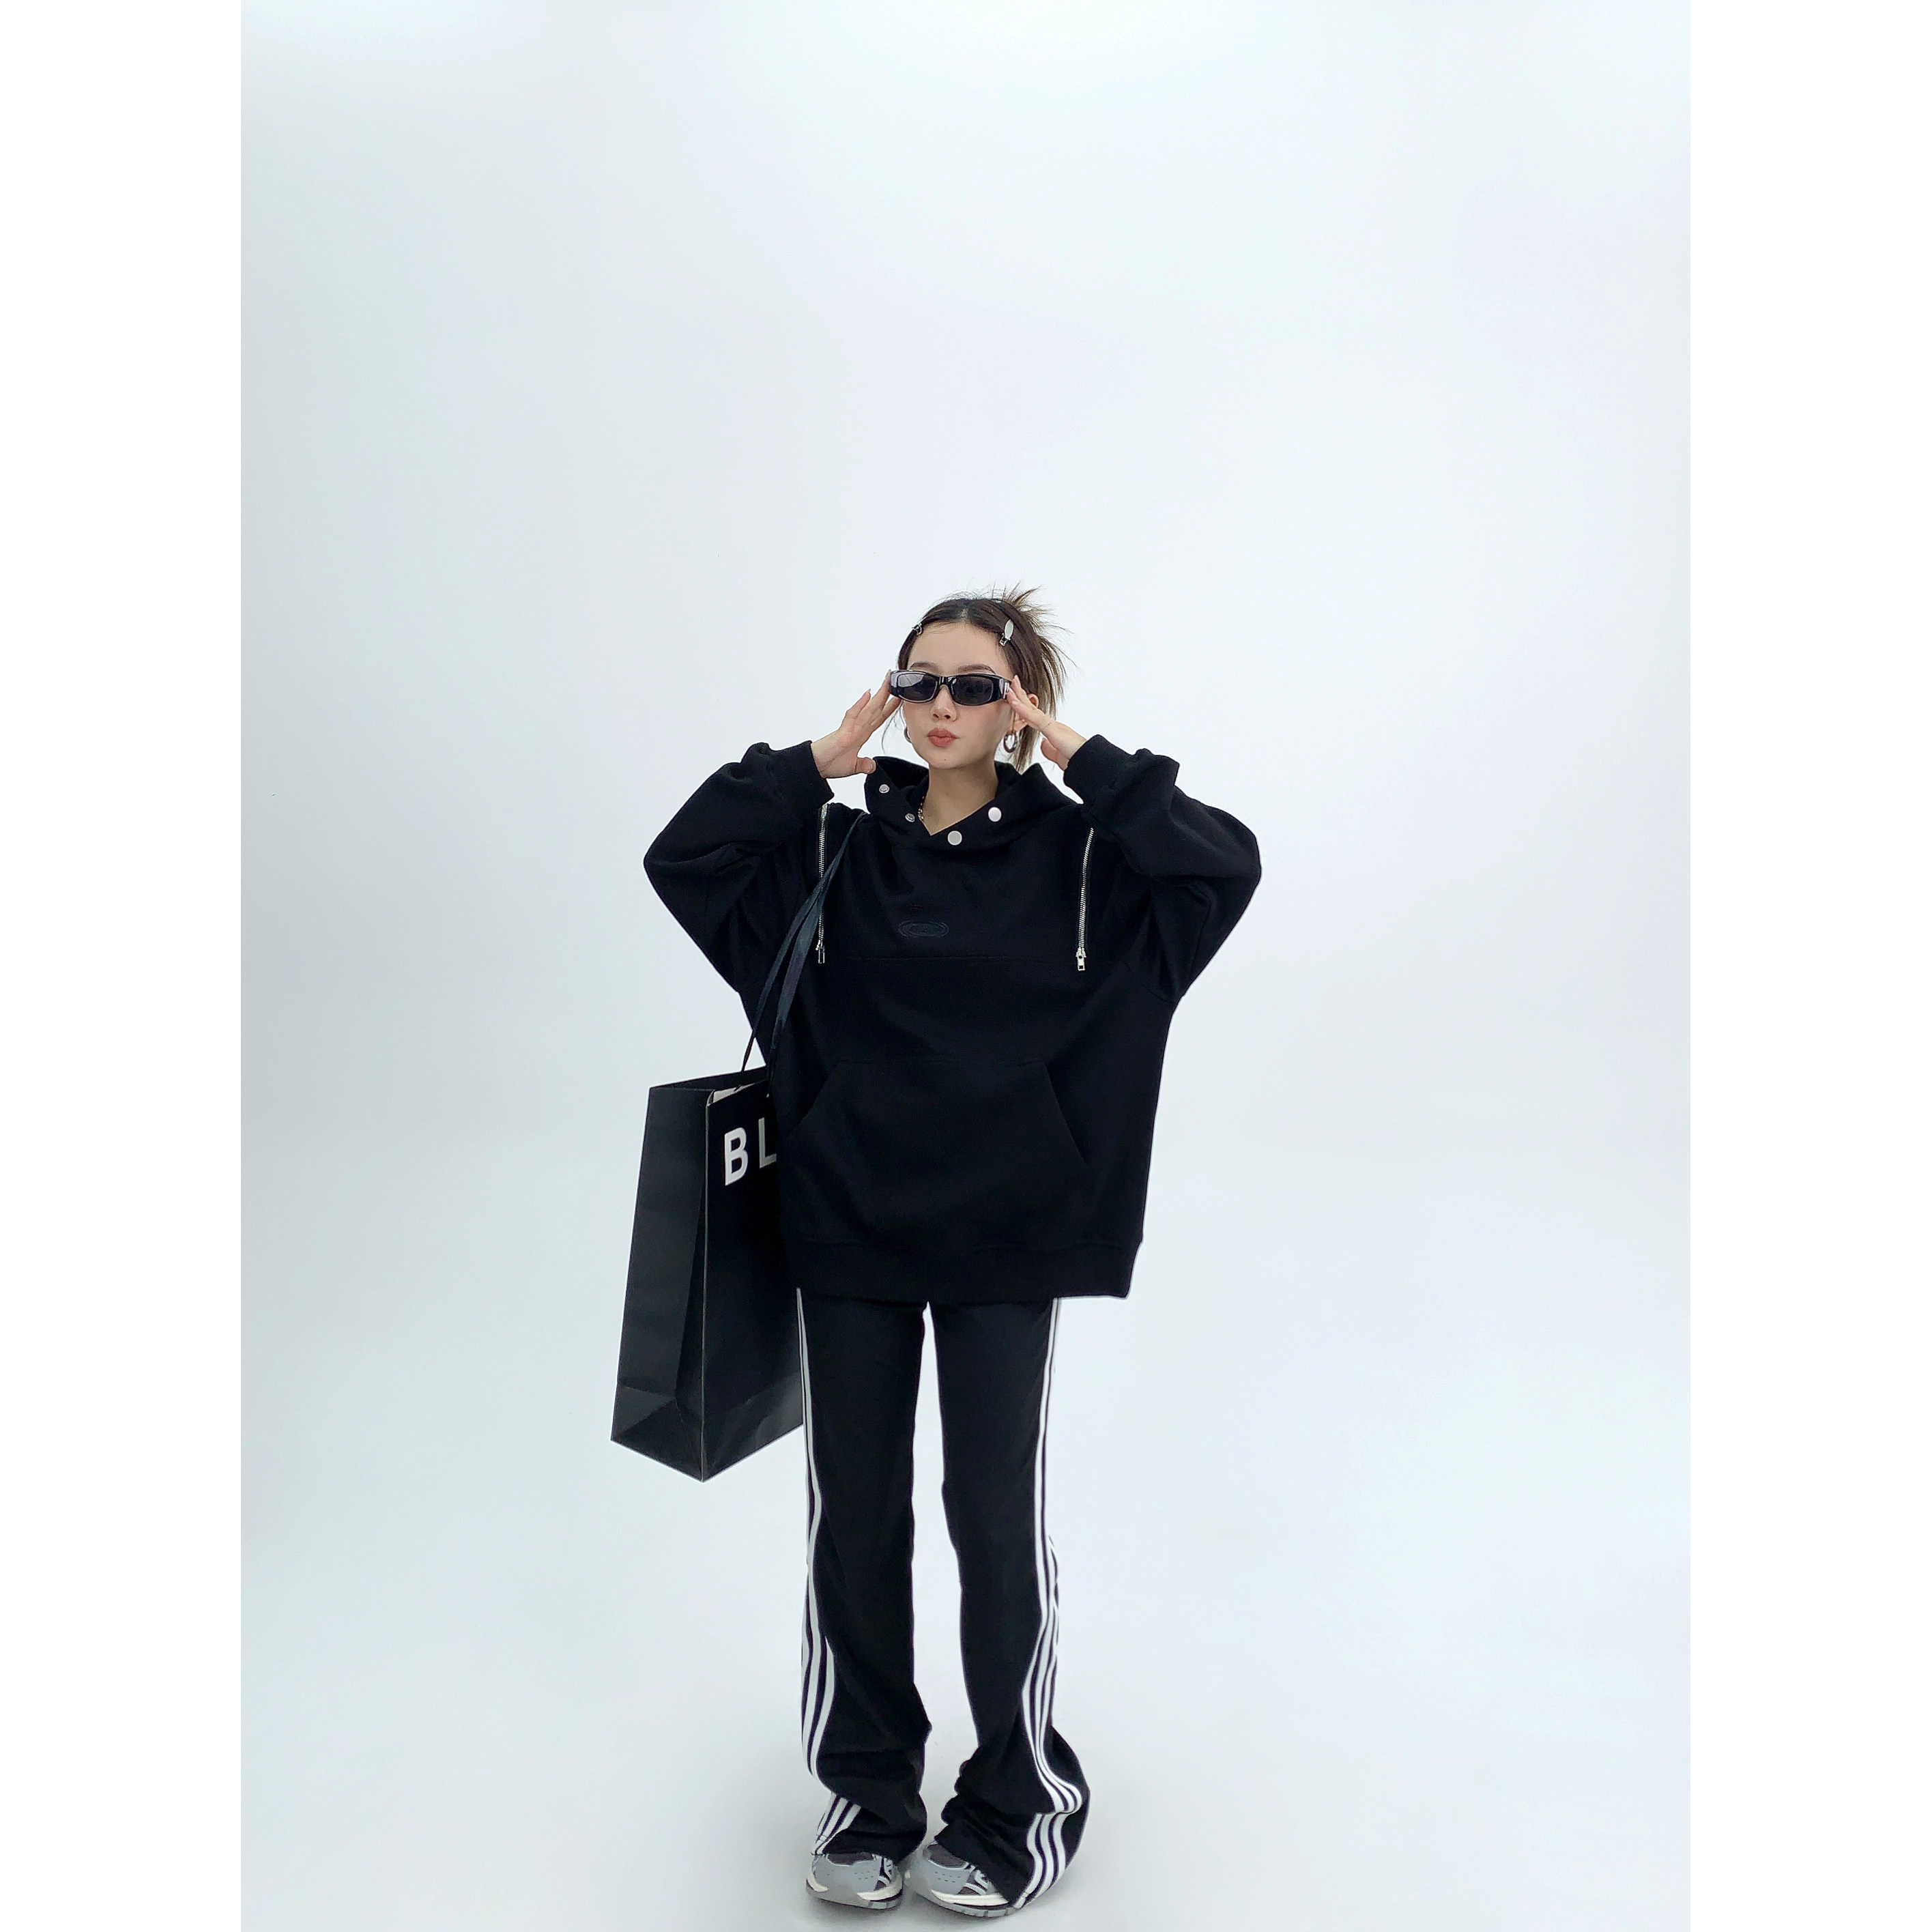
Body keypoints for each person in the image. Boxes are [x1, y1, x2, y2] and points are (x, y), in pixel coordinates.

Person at [643, 590, 1262, 1917]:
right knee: (855, 1525)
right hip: (846, 1230)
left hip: (1010, 1237)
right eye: (917, 681)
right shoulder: (828, 856)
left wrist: (1083, 758)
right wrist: (813, 761)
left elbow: (1222, 866)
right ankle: (869, 1797)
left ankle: (1019, 1805)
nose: (938, 707)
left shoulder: (1089, 863)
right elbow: (683, 856)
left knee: (993, 1521)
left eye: (975, 686)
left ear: (1019, 701)